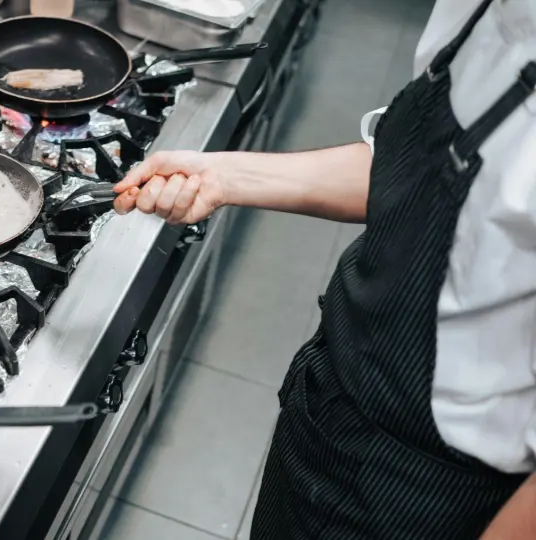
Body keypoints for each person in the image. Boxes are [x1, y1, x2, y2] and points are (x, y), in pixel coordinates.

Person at [112, 0, 536, 538]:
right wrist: (221, 176)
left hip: (430, 496)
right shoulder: (481, 11)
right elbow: (406, 173)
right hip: (329, 402)